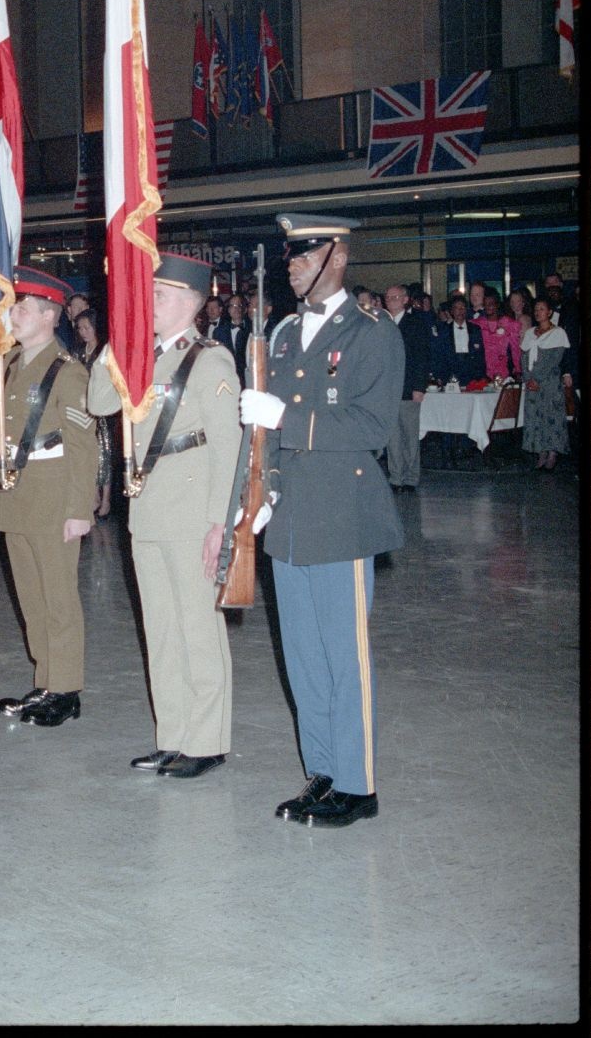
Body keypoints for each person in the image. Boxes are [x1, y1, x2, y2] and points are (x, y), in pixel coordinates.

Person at [240, 214, 404, 828]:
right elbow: (265, 438)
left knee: (344, 653)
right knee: (302, 655)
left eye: (304, 253)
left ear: (337, 255)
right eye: (290, 255)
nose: (292, 264)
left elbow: (372, 428)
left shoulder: (371, 335)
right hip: (289, 515)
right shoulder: (283, 337)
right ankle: (325, 773)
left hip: (341, 515)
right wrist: (252, 495)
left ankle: (359, 784)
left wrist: (284, 418)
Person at [87, 253, 241, 779]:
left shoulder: (211, 359)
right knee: (161, 630)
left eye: (159, 295)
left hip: (193, 507)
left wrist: (222, 522)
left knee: (198, 628)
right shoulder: (139, 355)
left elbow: (228, 444)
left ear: (193, 303)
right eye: (148, 294)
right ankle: (173, 736)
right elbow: (98, 398)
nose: (149, 302)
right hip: (148, 506)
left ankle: (207, 740)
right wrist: (119, 338)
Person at [0, 267, 97, 727]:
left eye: (20, 308)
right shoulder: (13, 360)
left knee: (58, 598)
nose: (11, 314)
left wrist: (81, 509)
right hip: (17, 494)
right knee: (31, 599)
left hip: (54, 495)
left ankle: (66, 688)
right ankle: (46, 680)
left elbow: (83, 446)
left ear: (48, 316)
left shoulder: (69, 370)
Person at [383, 283, 431, 494]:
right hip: (387, 391)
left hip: (409, 388)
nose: (391, 301)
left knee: (410, 436)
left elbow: (422, 358)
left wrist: (419, 387)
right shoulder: (382, 323)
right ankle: (396, 476)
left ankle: (411, 477)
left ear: (405, 300)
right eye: (388, 298)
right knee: (392, 437)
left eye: (395, 297)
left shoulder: (416, 323)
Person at [429, 295, 487, 467]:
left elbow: (480, 356)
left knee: (468, 412)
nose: (460, 312)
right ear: (451, 312)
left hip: (470, 375)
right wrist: (440, 376)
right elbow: (437, 356)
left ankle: (466, 448)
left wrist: (480, 376)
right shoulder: (443, 330)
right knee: (449, 413)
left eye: (463, 308)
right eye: (457, 308)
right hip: (450, 375)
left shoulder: (475, 329)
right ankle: (448, 450)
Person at [520, 298, 571, 472]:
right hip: (532, 382)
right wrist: (529, 378)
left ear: (549, 312)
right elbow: (524, 357)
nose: (538, 312)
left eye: (542, 309)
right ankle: (540, 451)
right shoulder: (530, 333)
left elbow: (554, 360)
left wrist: (538, 378)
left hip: (548, 382)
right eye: (536, 309)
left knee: (551, 416)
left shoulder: (558, 333)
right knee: (535, 416)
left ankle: (552, 453)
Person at [73, 308, 113, 521]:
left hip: (101, 410)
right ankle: (92, 496)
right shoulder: (78, 351)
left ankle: (106, 499)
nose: (84, 332)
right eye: (80, 328)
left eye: (87, 327)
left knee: (103, 453)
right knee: (85, 454)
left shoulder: (104, 351)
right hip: (81, 409)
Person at [477, 290, 520, 381]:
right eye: (486, 304)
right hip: (483, 373)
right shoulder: (477, 323)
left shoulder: (509, 323)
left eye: (491, 304)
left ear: (497, 305)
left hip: (504, 372)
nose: (488, 307)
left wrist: (517, 370)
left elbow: (515, 349)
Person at [216, 293, 250, 384]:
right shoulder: (219, 332)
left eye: (239, 305)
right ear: (228, 310)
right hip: (226, 378)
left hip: (247, 379)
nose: (236, 308)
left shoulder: (252, 330)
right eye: (232, 305)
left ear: (245, 309)